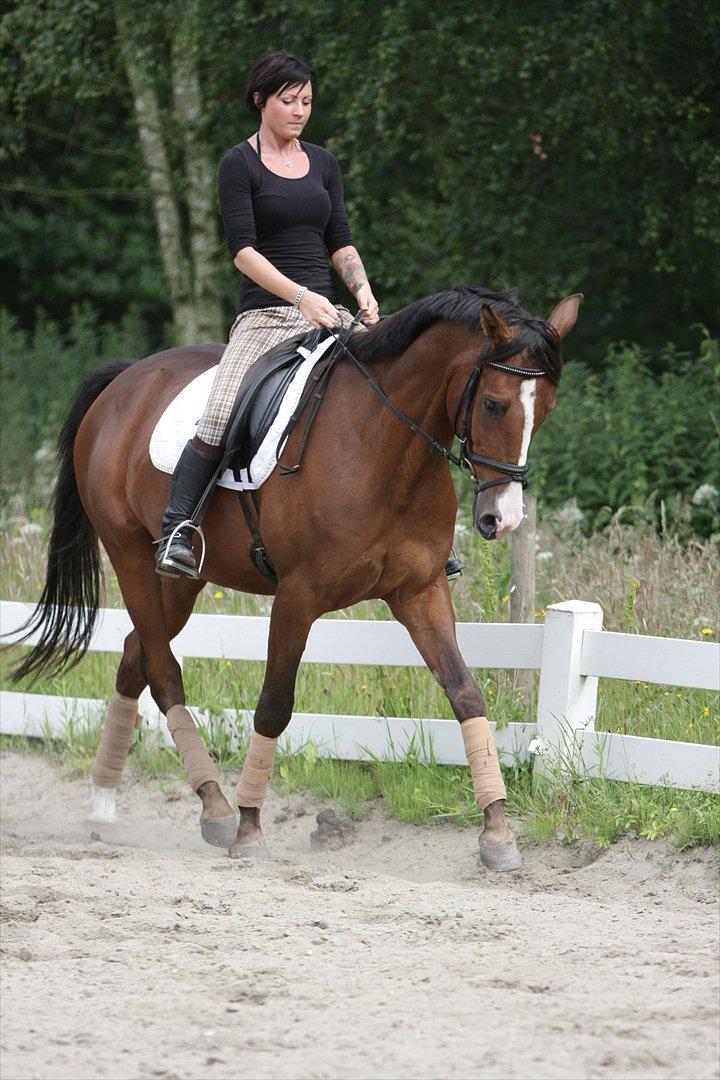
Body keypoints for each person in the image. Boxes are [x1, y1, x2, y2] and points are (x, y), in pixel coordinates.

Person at [154, 51, 379, 578]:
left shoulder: (323, 163)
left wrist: (363, 292)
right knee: (219, 412)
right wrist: (301, 297)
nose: (300, 111)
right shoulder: (239, 164)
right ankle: (178, 530)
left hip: (327, 313)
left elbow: (340, 240)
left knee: (386, 387)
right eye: (289, 100)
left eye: (307, 102)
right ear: (260, 100)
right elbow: (243, 251)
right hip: (266, 316)